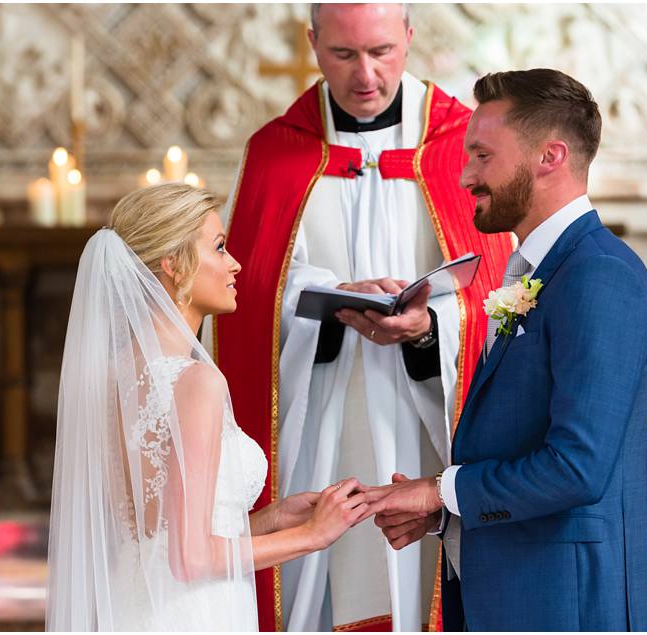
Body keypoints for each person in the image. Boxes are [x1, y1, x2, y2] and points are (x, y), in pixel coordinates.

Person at [212, 4, 513, 631]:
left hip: (426, 418)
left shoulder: (462, 144)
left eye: (381, 51)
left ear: (409, 36)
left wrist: (430, 328)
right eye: (344, 55)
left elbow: (497, 297)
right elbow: (247, 298)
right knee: (319, 569)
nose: (366, 75)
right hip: (318, 414)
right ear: (313, 43)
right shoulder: (275, 151)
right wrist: (321, 298)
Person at [364, 68, 647, 631]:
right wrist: (442, 510)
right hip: (517, 591)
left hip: (563, 602)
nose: (465, 176)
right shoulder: (538, 270)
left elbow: (577, 468)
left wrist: (441, 489)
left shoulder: (599, 277)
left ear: (549, 156)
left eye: (482, 155)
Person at [45, 183, 373, 631]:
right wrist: (311, 536)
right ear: (173, 265)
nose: (235, 264)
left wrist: (273, 519)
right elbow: (190, 558)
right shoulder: (195, 382)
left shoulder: (110, 377)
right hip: (189, 615)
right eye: (219, 248)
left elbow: (157, 539)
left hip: (129, 607)